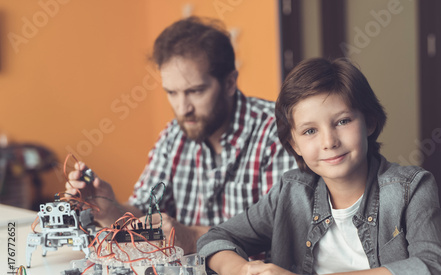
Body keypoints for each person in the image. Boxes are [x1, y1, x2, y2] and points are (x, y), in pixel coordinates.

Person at [197, 57, 441, 275]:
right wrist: (239, 272)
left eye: (342, 121)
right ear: (294, 144)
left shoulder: (410, 189)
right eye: (310, 131)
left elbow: (436, 271)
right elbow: (216, 238)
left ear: (369, 123)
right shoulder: (292, 192)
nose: (329, 142)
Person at [65, 16, 296, 254]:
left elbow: (283, 235)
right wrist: (109, 209)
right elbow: (146, 213)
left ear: (229, 83)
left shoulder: (277, 132)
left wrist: (192, 238)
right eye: (172, 93)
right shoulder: (174, 135)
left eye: (195, 91)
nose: (183, 108)